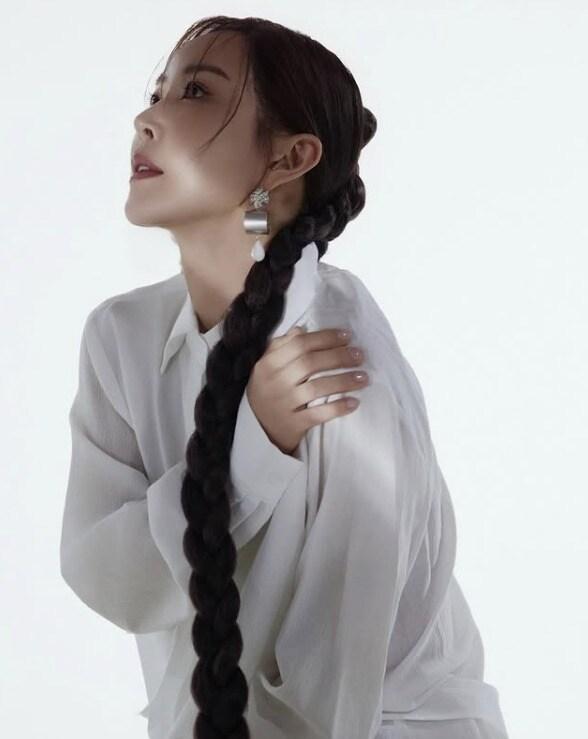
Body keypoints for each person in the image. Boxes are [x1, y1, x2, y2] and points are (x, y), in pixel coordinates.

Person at [59, 14, 509, 739]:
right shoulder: (121, 336)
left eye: (196, 92)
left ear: (287, 158)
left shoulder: (339, 367)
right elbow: (104, 573)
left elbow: (333, 690)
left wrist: (245, 455)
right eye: (157, 92)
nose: (147, 118)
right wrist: (248, 449)